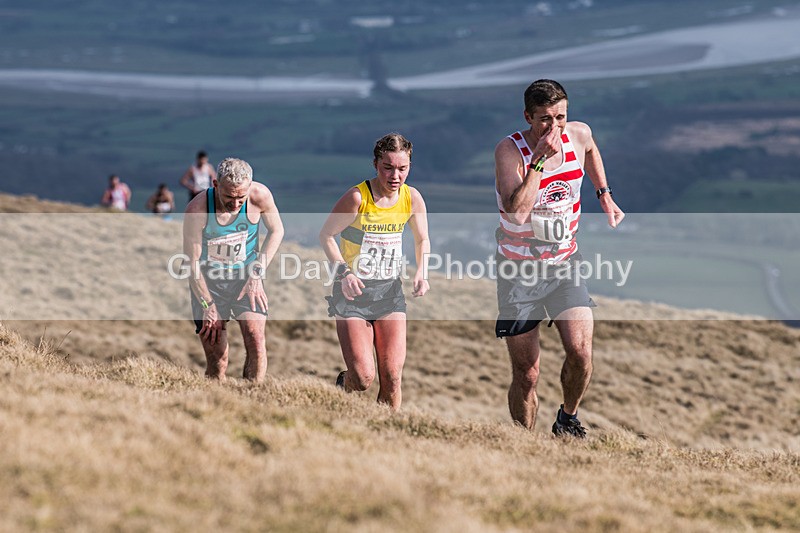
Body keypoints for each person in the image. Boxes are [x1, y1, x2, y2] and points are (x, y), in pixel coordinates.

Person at [494, 79, 625, 438]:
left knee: (581, 353)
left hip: (565, 264)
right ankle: (524, 442)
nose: (554, 128)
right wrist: (538, 161)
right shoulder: (510, 151)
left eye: (560, 118)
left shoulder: (578, 133)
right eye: (544, 120)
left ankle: (567, 418)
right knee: (527, 373)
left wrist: (604, 195)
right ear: (528, 117)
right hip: (519, 271)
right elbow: (517, 213)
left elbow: (592, 151)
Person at [319, 133, 430, 411]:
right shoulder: (358, 197)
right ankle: (343, 384)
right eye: (388, 167)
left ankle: (385, 433)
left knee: (392, 377)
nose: (395, 175)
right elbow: (326, 235)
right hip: (352, 294)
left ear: (409, 167)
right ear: (376, 165)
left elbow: (422, 239)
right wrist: (344, 273)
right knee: (363, 378)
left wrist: (422, 272)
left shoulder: (411, 197)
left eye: (402, 168)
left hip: (389, 293)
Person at [183, 157, 284, 383]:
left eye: (241, 197)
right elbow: (192, 263)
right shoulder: (197, 209)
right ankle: (215, 401)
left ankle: (253, 397)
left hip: (246, 279)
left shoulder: (260, 196)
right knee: (218, 359)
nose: (236, 203)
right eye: (229, 196)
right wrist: (207, 305)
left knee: (256, 339)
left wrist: (257, 274)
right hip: (209, 284)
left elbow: (277, 231)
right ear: (216, 185)